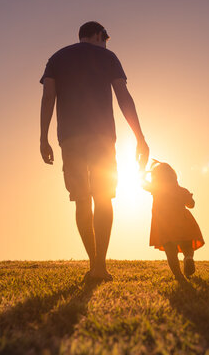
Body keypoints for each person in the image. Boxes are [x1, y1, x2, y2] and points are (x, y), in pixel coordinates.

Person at [39, 21, 149, 281]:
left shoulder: (57, 58)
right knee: (103, 198)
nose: (105, 44)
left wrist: (43, 138)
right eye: (105, 39)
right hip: (102, 137)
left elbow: (48, 98)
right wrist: (139, 137)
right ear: (99, 35)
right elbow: (124, 97)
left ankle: (93, 265)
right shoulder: (108, 57)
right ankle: (100, 265)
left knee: (81, 200)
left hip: (70, 138)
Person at [142, 160, 204, 281]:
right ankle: (188, 258)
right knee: (187, 246)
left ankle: (178, 275)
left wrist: (142, 172)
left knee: (170, 251)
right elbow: (191, 204)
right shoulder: (180, 190)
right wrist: (190, 198)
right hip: (183, 223)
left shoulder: (156, 189)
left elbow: (143, 184)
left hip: (164, 225)